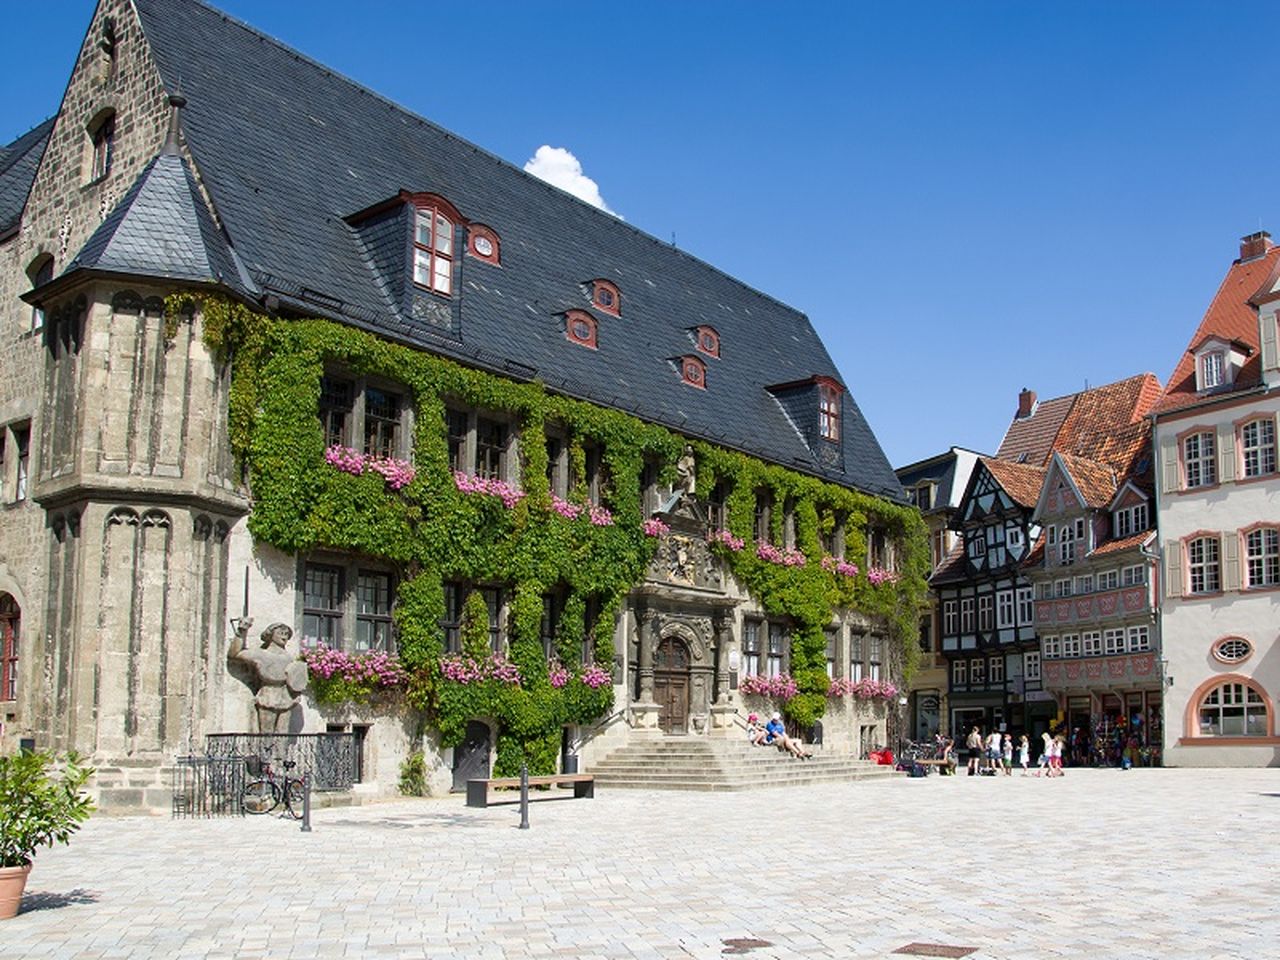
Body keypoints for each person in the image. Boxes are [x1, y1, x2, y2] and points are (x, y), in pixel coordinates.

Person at [228, 619, 308, 734]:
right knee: (266, 731)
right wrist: (241, 632)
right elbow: (234, 654)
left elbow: (296, 677)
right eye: (281, 633)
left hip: (286, 695)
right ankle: (264, 752)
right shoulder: (261, 654)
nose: (284, 637)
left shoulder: (289, 658)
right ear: (271, 635)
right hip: (268, 693)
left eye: (286, 635)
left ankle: (281, 752)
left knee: (283, 733)